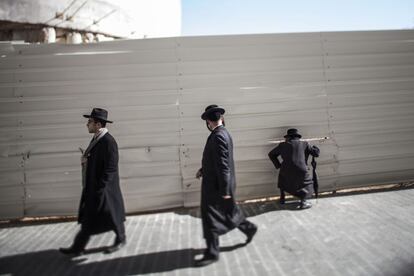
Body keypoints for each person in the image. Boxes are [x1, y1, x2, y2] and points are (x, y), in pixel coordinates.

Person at [195, 105, 258, 267]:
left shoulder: (217, 137)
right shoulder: (223, 134)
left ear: (208, 121)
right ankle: (249, 228)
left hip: (216, 186)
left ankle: (212, 252)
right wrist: (204, 169)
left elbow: (224, 165)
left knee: (210, 217)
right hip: (221, 184)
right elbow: (216, 160)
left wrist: (225, 190)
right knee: (229, 211)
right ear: (221, 118)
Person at [59, 108, 126, 255]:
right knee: (92, 217)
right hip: (94, 187)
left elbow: (111, 168)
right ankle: (77, 247)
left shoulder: (108, 141)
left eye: (89, 122)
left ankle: (120, 239)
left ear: (98, 124)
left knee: (111, 215)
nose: (87, 124)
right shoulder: (97, 139)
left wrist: (101, 189)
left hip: (103, 190)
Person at [268, 128, 320, 209]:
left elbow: (271, 154)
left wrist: (278, 165)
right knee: (307, 184)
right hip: (301, 170)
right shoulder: (305, 144)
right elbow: (316, 154)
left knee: (282, 179)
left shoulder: (282, 145)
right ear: (297, 137)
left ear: (288, 137)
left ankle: (282, 199)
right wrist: (316, 148)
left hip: (286, 170)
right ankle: (303, 201)